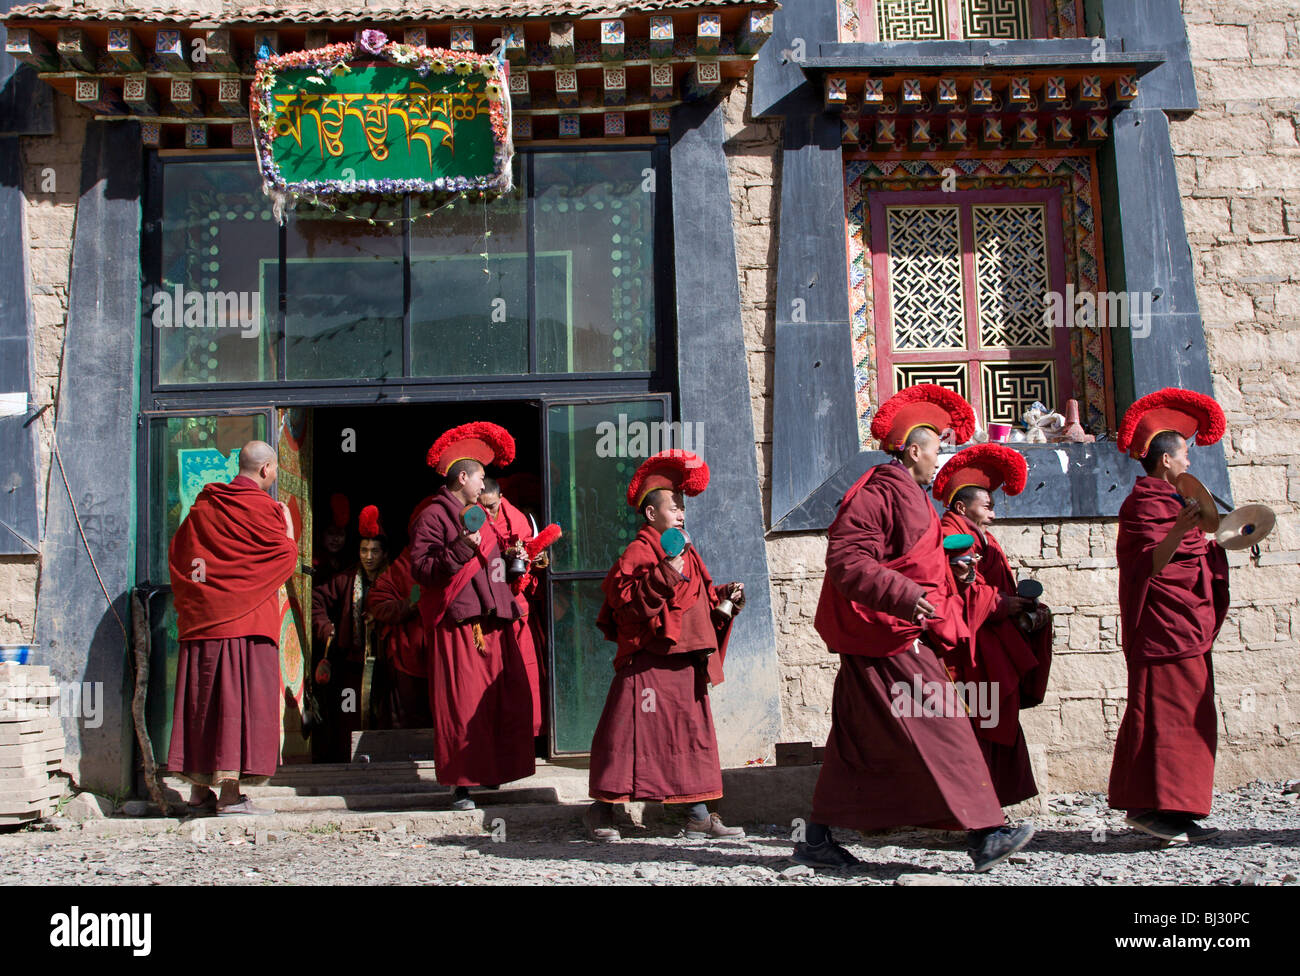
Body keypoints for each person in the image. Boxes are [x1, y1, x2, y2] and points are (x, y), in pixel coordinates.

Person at [794, 384, 1034, 872]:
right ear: (913, 448)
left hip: (890, 628)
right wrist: (906, 597)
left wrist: (954, 576)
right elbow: (846, 560)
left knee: (856, 740)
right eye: (938, 446)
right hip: (886, 628)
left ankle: (815, 839)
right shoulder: (878, 492)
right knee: (946, 721)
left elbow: (914, 563)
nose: (941, 457)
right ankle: (986, 833)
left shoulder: (913, 496)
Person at [585, 449, 746, 842]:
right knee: (626, 735)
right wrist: (663, 574)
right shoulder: (639, 551)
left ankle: (698, 816)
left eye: (682, 507)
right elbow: (627, 606)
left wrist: (727, 596)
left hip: (684, 659)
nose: (681, 514)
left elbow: (701, 597)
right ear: (651, 515)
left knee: (689, 736)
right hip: (648, 662)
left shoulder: (686, 551)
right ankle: (602, 813)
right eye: (673, 507)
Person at [1109, 388, 1230, 842]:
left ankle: (1177, 810)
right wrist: (1182, 530)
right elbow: (1149, 564)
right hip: (1163, 629)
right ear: (1164, 461)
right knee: (1161, 715)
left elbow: (1188, 555)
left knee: (1190, 714)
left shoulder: (1177, 503)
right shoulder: (1144, 504)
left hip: (1186, 625)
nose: (1190, 464)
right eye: (1184, 455)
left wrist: (1214, 546)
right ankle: (1149, 808)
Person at [165, 440, 298, 816]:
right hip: (246, 625)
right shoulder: (267, 510)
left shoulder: (203, 508)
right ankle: (229, 796)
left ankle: (197, 794)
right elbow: (281, 562)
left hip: (204, 623)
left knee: (203, 704)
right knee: (236, 707)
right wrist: (288, 537)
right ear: (267, 469)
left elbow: (181, 557)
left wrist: (204, 599)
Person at [410, 422, 535, 810]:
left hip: (495, 618)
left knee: (498, 697)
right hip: (460, 624)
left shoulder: (479, 512)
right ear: (462, 477)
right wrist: (461, 550)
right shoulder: (434, 516)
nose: (484, 485)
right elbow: (422, 570)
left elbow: (492, 563)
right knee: (461, 703)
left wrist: (516, 563)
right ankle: (460, 784)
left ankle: (492, 770)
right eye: (480, 477)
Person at [934, 444, 1049, 807]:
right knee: (973, 719)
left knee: (994, 715)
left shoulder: (987, 539)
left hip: (992, 638)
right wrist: (1001, 604)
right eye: (987, 505)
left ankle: (988, 803)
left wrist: (1022, 606)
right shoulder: (950, 535)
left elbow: (995, 588)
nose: (993, 513)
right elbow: (954, 592)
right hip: (966, 647)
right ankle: (967, 807)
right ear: (960, 507)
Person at [311, 505, 390, 761]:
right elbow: (316, 601)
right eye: (364, 550)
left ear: (384, 553)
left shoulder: (396, 578)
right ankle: (349, 761)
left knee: (385, 713)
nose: (368, 557)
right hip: (351, 665)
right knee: (349, 711)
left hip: (389, 663)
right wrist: (327, 629)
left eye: (374, 551)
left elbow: (413, 600)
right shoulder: (346, 579)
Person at [366, 499, 435, 730]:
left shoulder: (455, 556)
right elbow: (377, 602)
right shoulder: (404, 564)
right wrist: (410, 605)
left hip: (445, 655)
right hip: (410, 658)